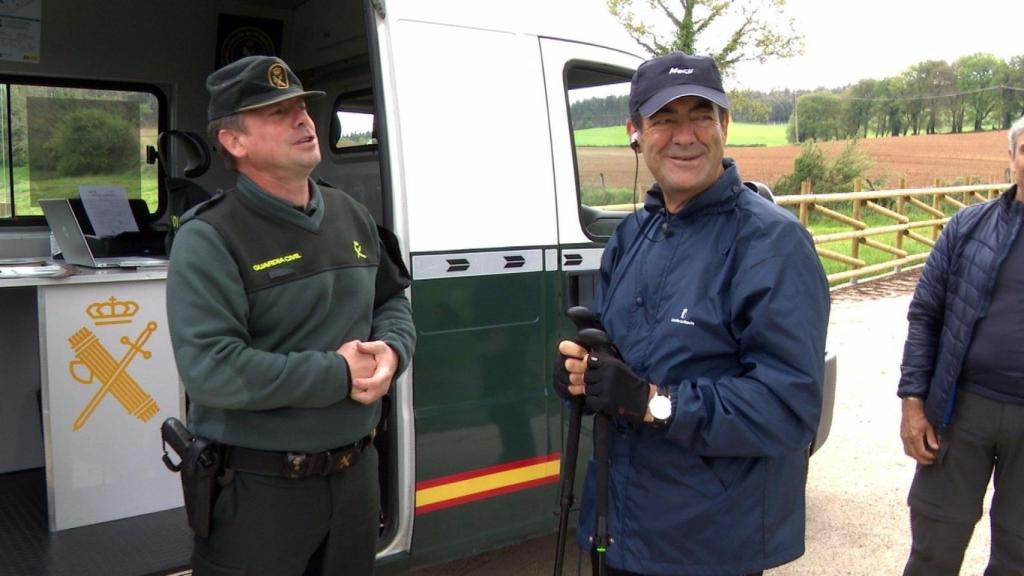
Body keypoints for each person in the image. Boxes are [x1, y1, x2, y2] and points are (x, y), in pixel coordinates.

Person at [553, 52, 830, 576]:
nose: (686, 136)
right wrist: (583, 377)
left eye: (701, 115)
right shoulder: (631, 236)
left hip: (711, 543)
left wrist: (654, 403)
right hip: (619, 529)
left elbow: (788, 409)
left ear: (724, 125)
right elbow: (620, 370)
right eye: (664, 119)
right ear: (634, 132)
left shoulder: (773, 244)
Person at [166, 55, 416, 576]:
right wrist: (339, 374)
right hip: (261, 494)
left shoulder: (353, 214)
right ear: (235, 142)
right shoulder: (209, 237)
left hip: (356, 481)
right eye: (277, 112)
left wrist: (392, 351)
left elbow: (391, 301)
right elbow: (213, 370)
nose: (303, 120)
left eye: (301, 106)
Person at [898, 115, 1024, 576]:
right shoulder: (967, 228)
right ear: (1011, 158)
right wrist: (913, 403)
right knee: (934, 547)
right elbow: (925, 315)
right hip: (961, 411)